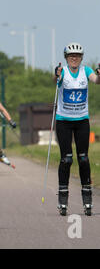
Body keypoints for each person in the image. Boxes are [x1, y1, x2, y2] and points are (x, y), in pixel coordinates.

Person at [54, 43, 100, 216]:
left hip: (82, 121)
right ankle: (63, 198)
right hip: (63, 121)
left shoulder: (85, 71)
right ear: (66, 57)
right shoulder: (63, 71)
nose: (75, 58)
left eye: (78, 55)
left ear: (82, 57)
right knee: (66, 159)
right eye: (71, 55)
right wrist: (56, 75)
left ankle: (87, 197)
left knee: (83, 158)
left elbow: (96, 80)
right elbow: (56, 81)